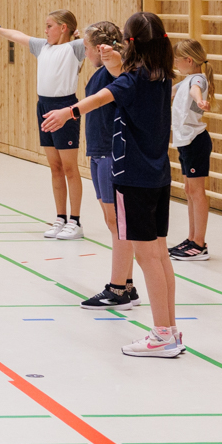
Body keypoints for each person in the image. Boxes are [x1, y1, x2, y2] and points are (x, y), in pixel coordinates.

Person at [43, 11, 181, 358]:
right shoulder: (161, 76)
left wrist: (67, 112)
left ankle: (162, 334)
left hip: (131, 177)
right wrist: (118, 65)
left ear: (131, 44)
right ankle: (171, 331)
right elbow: (122, 81)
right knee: (160, 255)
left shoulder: (132, 81)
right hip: (158, 176)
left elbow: (101, 97)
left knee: (148, 258)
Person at [0, 11, 86, 239]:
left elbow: (98, 37)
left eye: (49, 26)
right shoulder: (43, 47)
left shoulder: (76, 47)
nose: (45, 30)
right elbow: (18, 36)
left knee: (69, 167)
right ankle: (60, 217)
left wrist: (80, 34)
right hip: (43, 107)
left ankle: (76, 221)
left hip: (65, 107)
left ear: (63, 27)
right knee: (55, 166)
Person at [76, 21, 140, 311]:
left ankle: (118, 289)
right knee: (112, 221)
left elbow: (120, 75)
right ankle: (126, 283)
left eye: (87, 48)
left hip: (112, 152)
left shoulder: (114, 73)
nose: (85, 52)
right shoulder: (99, 72)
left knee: (118, 223)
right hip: (99, 150)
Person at [169, 38, 213, 262]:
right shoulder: (186, 80)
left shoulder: (197, 79)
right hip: (186, 141)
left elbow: (196, 90)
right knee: (189, 190)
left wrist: (200, 101)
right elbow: (170, 91)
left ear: (189, 60)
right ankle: (192, 237)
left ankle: (199, 243)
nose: (175, 64)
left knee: (197, 192)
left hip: (196, 141)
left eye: (177, 60)